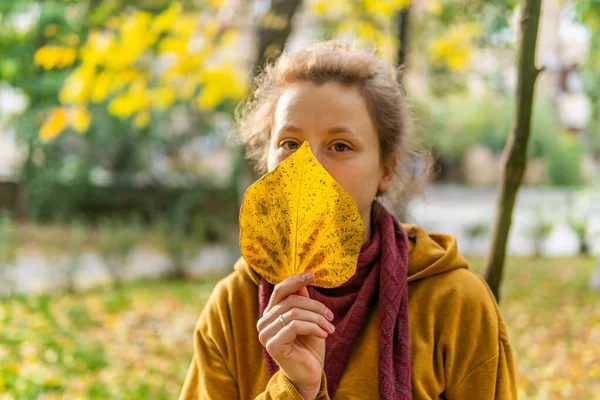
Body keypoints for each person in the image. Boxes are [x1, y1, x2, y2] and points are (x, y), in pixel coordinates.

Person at [179, 40, 517, 400]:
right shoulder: (233, 305)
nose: (308, 167)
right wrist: (295, 389)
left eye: (340, 146)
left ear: (386, 170)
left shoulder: (455, 302)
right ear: (266, 160)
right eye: (291, 143)